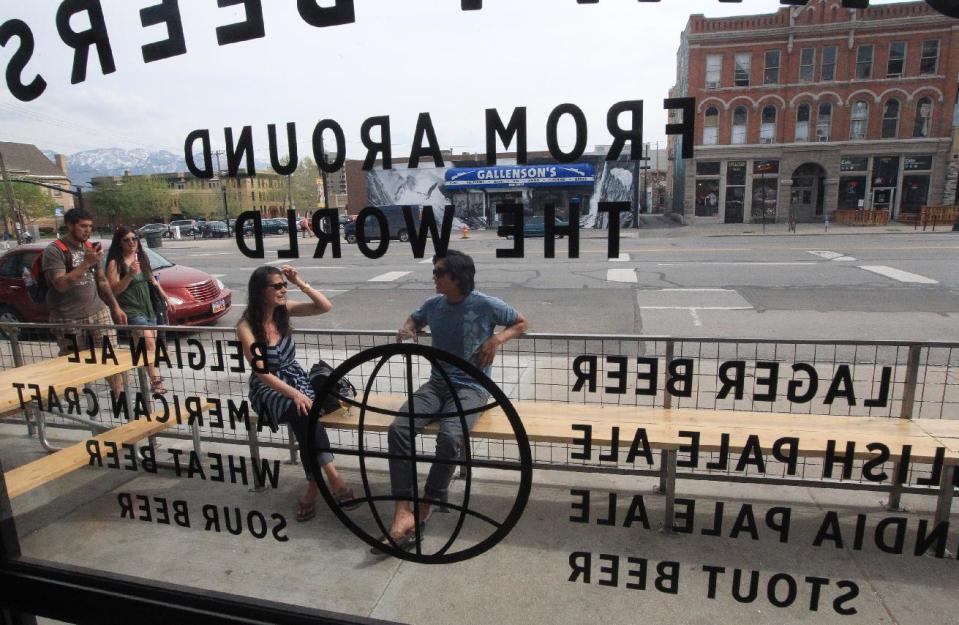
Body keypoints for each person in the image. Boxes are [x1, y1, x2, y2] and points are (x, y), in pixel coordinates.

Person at [378, 249, 528, 551]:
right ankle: (402, 510)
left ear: (457, 277)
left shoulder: (485, 304)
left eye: (438, 273)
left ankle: (426, 504)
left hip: (472, 388)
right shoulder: (433, 305)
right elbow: (414, 319)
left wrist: (496, 339)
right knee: (399, 429)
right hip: (436, 385)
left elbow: (522, 322)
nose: (433, 278)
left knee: (449, 437)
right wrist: (407, 327)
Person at [236, 265, 357, 522]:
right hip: (269, 388)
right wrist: (294, 394)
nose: (283, 290)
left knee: (305, 418)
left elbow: (325, 306)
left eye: (284, 285)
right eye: (277, 286)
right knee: (304, 412)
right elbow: (262, 373)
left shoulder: (284, 312)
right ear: (260, 291)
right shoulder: (246, 326)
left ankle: (313, 488)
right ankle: (334, 478)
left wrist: (299, 281)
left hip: (295, 378)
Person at [43, 208, 128, 396]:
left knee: (110, 357)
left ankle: (119, 397)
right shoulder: (55, 250)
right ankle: (80, 403)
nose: (88, 230)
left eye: (90, 226)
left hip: (97, 311)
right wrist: (86, 264)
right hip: (67, 318)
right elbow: (60, 284)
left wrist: (115, 306)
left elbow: (102, 280)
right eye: (83, 226)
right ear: (70, 225)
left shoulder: (90, 247)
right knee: (75, 364)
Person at [104, 226, 174, 394]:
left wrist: (166, 298)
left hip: (148, 308)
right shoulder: (115, 263)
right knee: (148, 343)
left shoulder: (141, 258)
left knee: (144, 347)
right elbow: (113, 290)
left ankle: (143, 379)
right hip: (131, 309)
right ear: (119, 243)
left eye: (134, 239)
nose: (131, 243)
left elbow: (153, 281)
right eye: (126, 240)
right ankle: (155, 382)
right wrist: (129, 275)